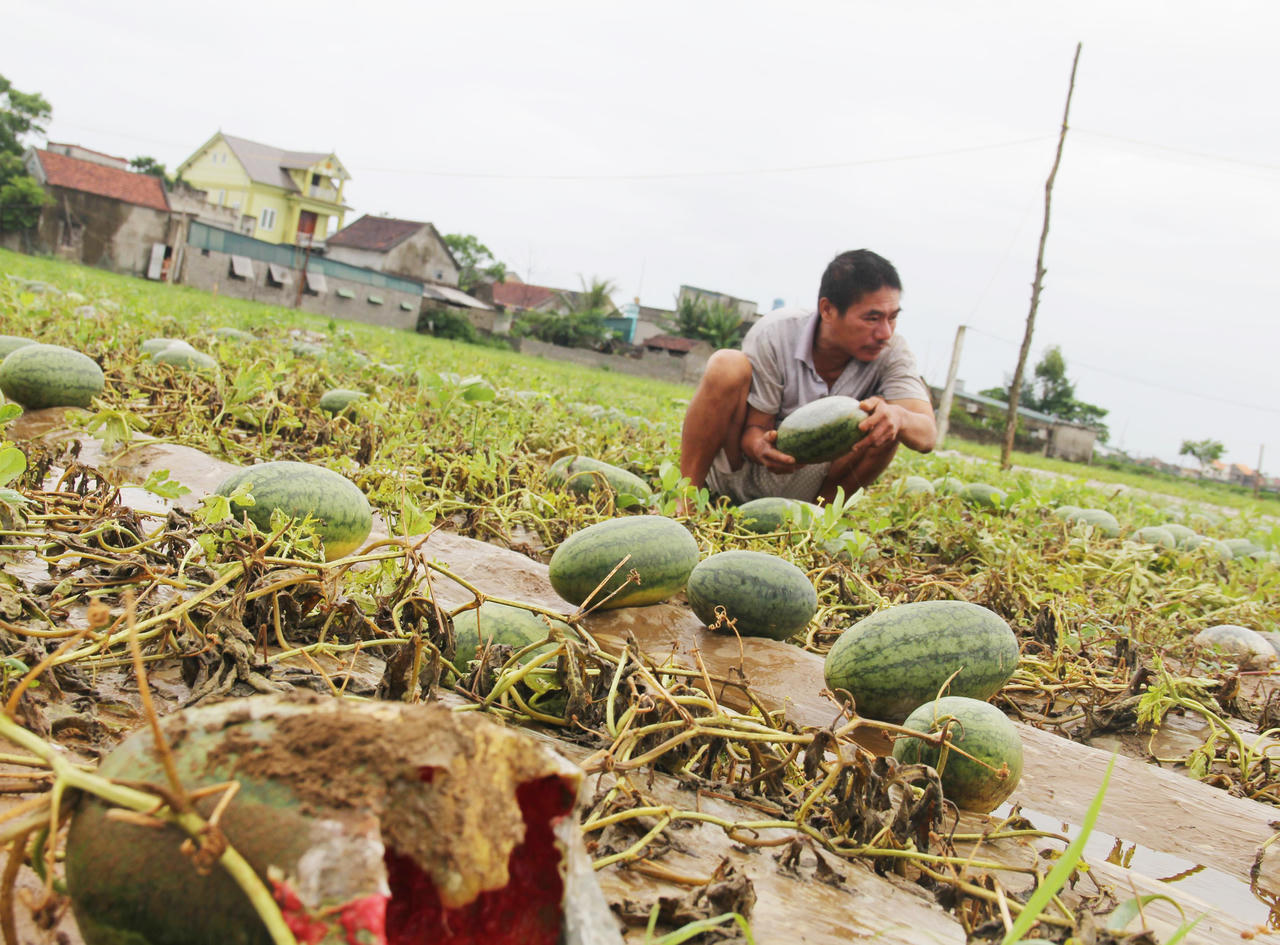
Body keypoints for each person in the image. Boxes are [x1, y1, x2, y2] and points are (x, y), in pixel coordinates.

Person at [678, 249, 936, 507]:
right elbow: (754, 430)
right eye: (872, 318)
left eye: (893, 317)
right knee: (726, 364)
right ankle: (685, 500)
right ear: (828, 309)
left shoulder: (892, 352)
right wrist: (761, 447)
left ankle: (819, 518)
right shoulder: (777, 333)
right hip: (740, 473)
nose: (885, 333)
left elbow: (927, 435)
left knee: (888, 420)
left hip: (815, 488)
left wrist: (898, 416)